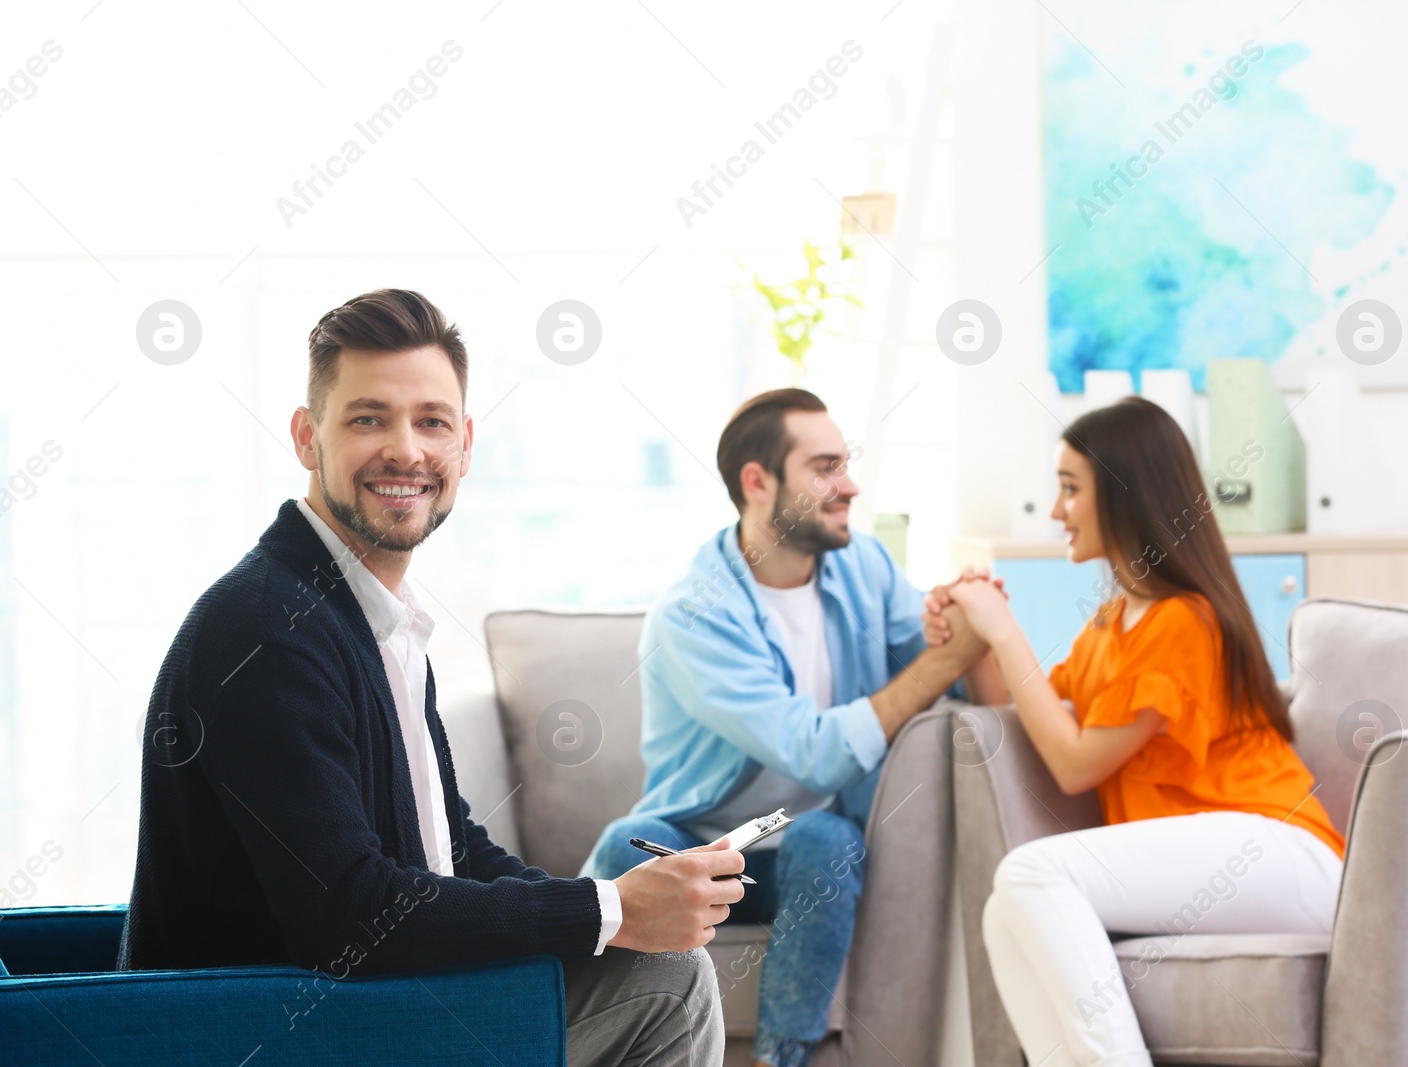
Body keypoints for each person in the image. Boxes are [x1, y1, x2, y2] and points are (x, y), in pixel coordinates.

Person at [121, 289, 739, 1066]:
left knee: (654, 961)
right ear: (308, 436)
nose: (406, 450)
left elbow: (454, 849)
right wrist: (608, 907)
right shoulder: (271, 628)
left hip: (357, 1009)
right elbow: (351, 913)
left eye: (432, 421)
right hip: (278, 1032)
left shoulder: (374, 616)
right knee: (667, 983)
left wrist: (609, 912)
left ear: (466, 444)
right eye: (368, 418)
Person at [924, 396, 1344, 1067]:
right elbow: (1023, 703)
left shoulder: (1185, 619)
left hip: (1281, 851)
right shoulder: (1110, 625)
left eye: (1070, 489)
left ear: (1124, 496)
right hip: (1217, 859)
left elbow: (1075, 764)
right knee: (1004, 913)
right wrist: (978, 636)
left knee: (1029, 872)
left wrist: (1005, 629)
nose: (1057, 509)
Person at [583, 388, 995, 1067]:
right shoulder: (695, 612)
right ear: (757, 481)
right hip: (699, 847)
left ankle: (778, 1060)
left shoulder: (863, 564)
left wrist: (961, 612)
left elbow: (938, 666)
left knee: (829, 838)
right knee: (620, 855)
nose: (850, 485)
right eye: (826, 467)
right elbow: (816, 752)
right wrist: (952, 651)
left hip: (801, 850)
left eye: (846, 464)